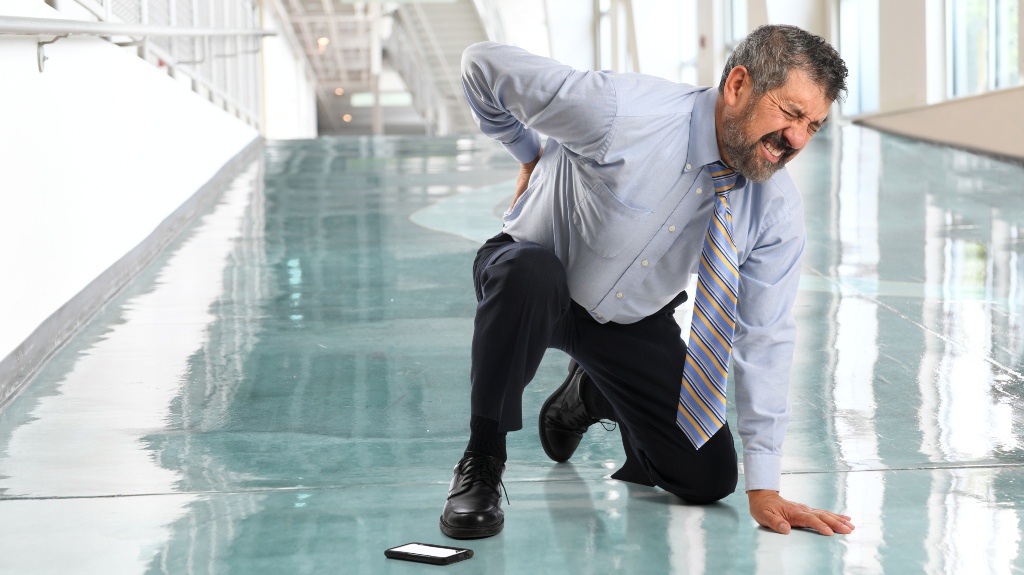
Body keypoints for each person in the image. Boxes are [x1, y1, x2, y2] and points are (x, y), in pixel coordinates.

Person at [440, 24, 855, 539]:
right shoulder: (620, 112)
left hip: (626, 318)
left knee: (707, 478)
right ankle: (481, 459)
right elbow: (481, 64)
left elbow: (765, 336)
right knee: (531, 272)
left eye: (813, 126)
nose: (796, 139)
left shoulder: (775, 210)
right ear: (738, 85)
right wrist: (525, 151)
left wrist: (764, 485)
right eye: (791, 113)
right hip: (530, 282)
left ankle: (589, 394)